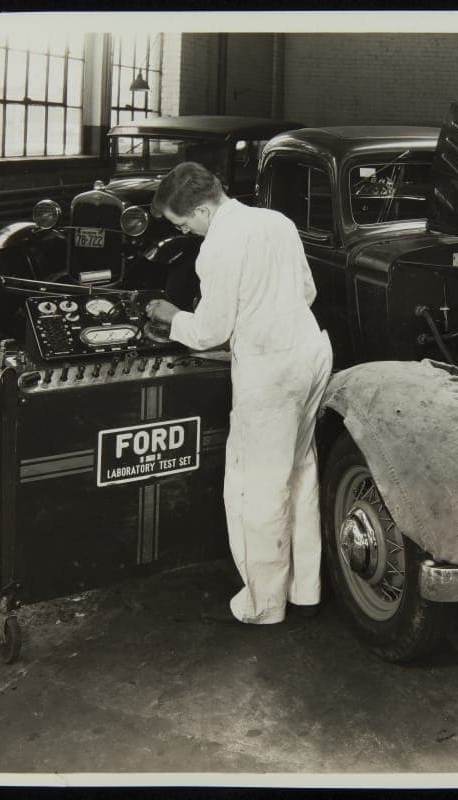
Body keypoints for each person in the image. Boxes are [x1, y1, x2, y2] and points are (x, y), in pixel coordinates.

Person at [145, 162, 333, 625]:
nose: (184, 231)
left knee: (257, 487)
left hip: (271, 372)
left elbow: (210, 330)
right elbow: (307, 291)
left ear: (204, 209)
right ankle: (304, 589)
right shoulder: (277, 221)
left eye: (182, 222)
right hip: (311, 353)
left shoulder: (218, 245)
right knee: (300, 471)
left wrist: (171, 317)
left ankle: (264, 605)